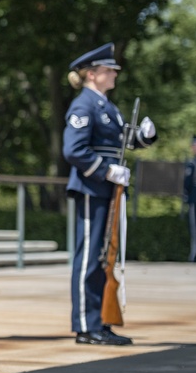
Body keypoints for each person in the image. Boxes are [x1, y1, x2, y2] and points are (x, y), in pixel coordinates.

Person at [63, 43, 157, 345]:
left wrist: (144, 137)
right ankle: (86, 325)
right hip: (92, 188)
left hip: (109, 190)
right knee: (90, 257)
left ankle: (100, 321)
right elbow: (74, 149)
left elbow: (122, 142)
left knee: (105, 257)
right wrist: (106, 170)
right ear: (92, 74)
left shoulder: (107, 107)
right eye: (109, 69)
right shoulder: (84, 105)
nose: (115, 73)